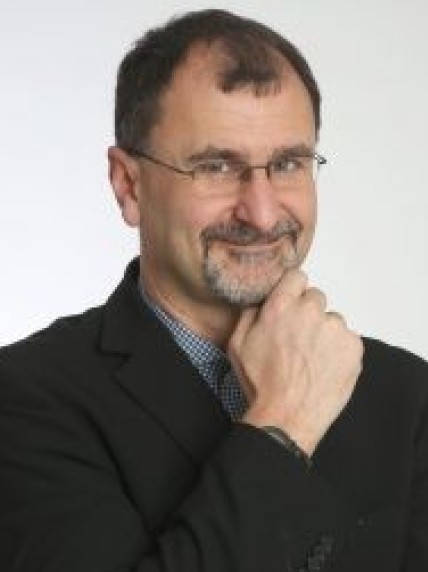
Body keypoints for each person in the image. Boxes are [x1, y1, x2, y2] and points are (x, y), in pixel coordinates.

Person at [0, 8, 427, 572]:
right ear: (129, 185)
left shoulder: (408, 395)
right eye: (217, 167)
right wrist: (283, 425)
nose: (262, 212)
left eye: (288, 163)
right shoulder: (25, 399)